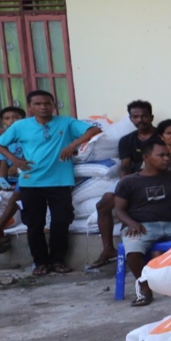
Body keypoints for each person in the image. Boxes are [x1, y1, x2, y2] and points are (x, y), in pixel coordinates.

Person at [0, 90, 101, 275]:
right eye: (37, 104)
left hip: (60, 182)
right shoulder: (20, 126)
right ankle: (40, 263)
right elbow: (1, 143)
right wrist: (14, 160)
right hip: (31, 182)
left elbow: (94, 130)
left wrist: (72, 145)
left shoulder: (66, 122)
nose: (43, 107)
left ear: (53, 105)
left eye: (47, 103)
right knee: (34, 224)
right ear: (30, 107)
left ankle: (57, 261)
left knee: (61, 222)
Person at [113, 142, 171, 307]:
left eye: (168, 155)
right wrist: (131, 223)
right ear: (146, 157)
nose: (166, 159)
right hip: (140, 227)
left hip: (170, 226)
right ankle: (145, 290)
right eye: (161, 155)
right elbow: (118, 210)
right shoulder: (129, 182)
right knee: (133, 253)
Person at [89, 99, 160, 270]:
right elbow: (125, 165)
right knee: (103, 204)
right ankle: (108, 250)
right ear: (130, 118)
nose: (139, 120)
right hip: (133, 179)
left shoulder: (162, 136)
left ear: (151, 117)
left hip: (158, 178)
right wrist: (125, 184)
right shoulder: (127, 140)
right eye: (135, 117)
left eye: (143, 116)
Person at [0, 104, 22, 253]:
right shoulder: (4, 139)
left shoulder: (27, 135)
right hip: (11, 178)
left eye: (15, 117)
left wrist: (17, 166)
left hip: (27, 174)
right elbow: (2, 162)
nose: (11, 121)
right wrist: (2, 180)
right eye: (7, 119)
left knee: (17, 195)